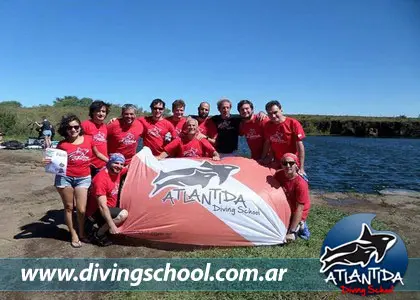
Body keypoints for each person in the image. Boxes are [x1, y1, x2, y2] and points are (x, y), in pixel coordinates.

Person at [45, 114, 106, 248]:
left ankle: (82, 232)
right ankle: (74, 234)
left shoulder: (89, 139)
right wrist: (48, 161)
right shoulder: (62, 144)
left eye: (76, 127)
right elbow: (54, 161)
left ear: (80, 127)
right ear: (65, 129)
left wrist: (110, 162)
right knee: (68, 207)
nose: (73, 130)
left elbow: (98, 154)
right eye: (69, 127)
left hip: (83, 178)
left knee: (81, 209)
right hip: (65, 177)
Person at [86, 153, 128, 246]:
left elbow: (131, 166)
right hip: (96, 212)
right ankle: (98, 234)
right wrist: (112, 225)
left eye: (121, 164)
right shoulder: (101, 179)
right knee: (123, 214)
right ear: (109, 162)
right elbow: (102, 206)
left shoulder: (118, 171)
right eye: (116, 163)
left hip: (109, 207)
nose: (119, 166)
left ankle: (105, 226)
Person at [261, 100, 306, 174]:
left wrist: (301, 168)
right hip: (277, 162)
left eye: (275, 112)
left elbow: (300, 146)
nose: (273, 116)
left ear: (281, 110)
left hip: (291, 163)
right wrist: (263, 158)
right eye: (270, 113)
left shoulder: (293, 123)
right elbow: (267, 143)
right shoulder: (268, 125)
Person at [275, 153, 311, 243]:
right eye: (284, 163)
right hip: (286, 207)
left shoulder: (301, 183)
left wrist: (292, 231)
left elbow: (300, 208)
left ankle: (301, 225)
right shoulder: (278, 175)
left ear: (296, 165)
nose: (288, 166)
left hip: (297, 210)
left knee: (289, 234)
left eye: (291, 163)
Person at [81, 100, 111, 177]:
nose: (101, 113)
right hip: (88, 164)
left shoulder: (105, 127)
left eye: (103, 111)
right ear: (92, 112)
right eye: (98, 111)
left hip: (102, 164)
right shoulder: (85, 125)